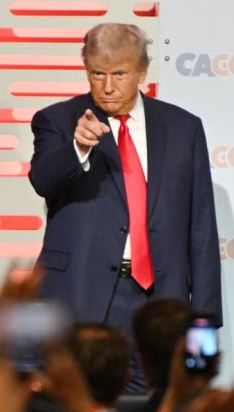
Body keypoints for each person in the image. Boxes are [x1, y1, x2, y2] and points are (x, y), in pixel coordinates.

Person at [29, 22, 222, 392]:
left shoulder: (184, 128)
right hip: (80, 297)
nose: (107, 85)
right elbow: (42, 181)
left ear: (142, 72)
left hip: (158, 299)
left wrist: (206, 319)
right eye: (96, 73)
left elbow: (201, 226)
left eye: (119, 73)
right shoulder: (57, 120)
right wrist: (78, 149)